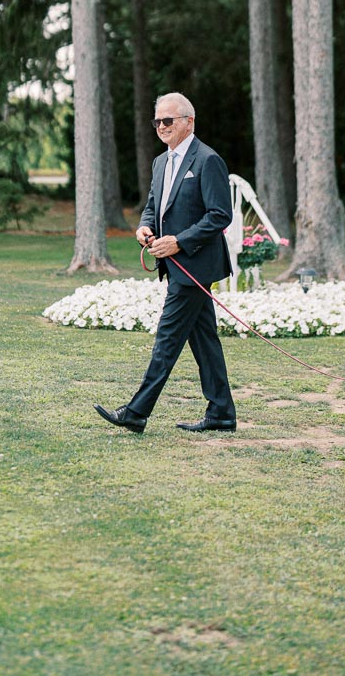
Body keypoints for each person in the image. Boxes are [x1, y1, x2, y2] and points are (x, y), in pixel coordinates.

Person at [95, 92, 236, 434]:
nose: (161, 126)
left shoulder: (208, 160)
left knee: (167, 339)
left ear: (189, 122)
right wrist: (146, 226)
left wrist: (179, 241)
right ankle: (221, 413)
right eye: (157, 121)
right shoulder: (161, 162)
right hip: (175, 267)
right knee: (204, 340)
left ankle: (136, 412)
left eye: (168, 120)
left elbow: (221, 215)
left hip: (196, 267)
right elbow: (154, 204)